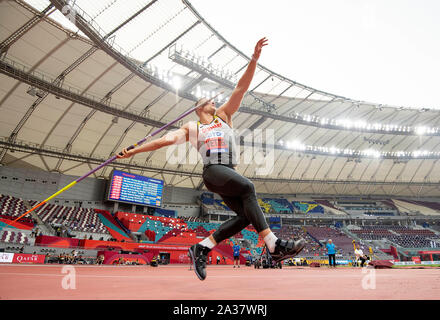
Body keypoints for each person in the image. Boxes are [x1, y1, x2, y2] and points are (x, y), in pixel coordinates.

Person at [118, 37, 305, 281]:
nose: (215, 101)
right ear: (198, 107)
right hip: (214, 171)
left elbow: (241, 88)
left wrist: (254, 59)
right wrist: (134, 150)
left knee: (244, 217)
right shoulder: (192, 127)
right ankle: (274, 244)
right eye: (209, 101)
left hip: (230, 172)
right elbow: (164, 140)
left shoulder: (224, 116)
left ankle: (202, 247)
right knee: (249, 187)